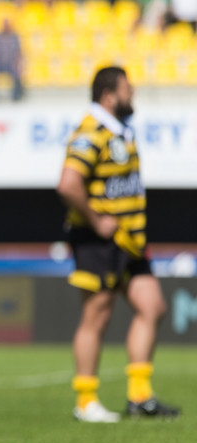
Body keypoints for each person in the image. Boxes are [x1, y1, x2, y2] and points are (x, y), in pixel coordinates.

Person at [56, 67, 180, 423]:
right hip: (99, 242)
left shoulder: (119, 131)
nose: (133, 93)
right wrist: (97, 221)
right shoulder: (90, 132)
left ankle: (139, 397)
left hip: (129, 242)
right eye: (127, 88)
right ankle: (86, 401)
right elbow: (68, 185)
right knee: (97, 316)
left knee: (152, 306)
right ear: (109, 95)